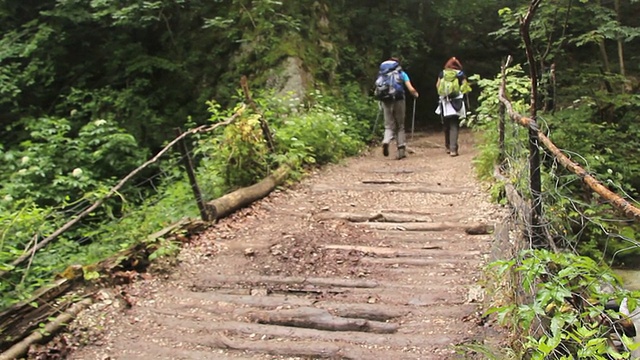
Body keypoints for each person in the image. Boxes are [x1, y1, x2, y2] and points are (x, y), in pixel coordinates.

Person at [376, 57, 419, 160]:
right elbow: (410, 88)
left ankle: (386, 141)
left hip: (386, 100)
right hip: (399, 100)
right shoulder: (401, 74)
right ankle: (401, 151)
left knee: (388, 125)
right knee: (400, 125)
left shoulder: (383, 74)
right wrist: (415, 94)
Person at [435, 57, 471, 157]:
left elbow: (437, 86)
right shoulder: (460, 74)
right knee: (454, 125)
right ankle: (453, 149)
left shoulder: (443, 73)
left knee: (446, 125)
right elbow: (465, 88)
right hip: (457, 101)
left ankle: (447, 146)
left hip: (445, 102)